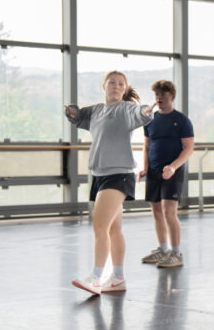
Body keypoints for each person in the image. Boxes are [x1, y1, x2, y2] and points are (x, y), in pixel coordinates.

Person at [65, 71, 155, 294]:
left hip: (119, 174)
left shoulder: (125, 109)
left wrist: (145, 111)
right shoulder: (96, 110)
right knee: (114, 230)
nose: (116, 86)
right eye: (112, 82)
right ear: (104, 85)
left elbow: (139, 113)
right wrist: (71, 111)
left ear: (124, 90)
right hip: (100, 174)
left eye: (121, 84)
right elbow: (77, 117)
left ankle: (96, 278)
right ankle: (118, 279)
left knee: (100, 226)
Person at [139, 80, 195, 269]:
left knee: (168, 212)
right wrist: (145, 168)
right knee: (156, 211)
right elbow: (147, 146)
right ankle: (163, 249)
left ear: (172, 97)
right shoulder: (150, 120)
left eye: (163, 94)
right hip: (154, 171)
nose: (159, 98)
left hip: (174, 171)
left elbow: (188, 148)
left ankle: (176, 253)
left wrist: (173, 166)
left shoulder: (182, 120)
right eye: (156, 95)